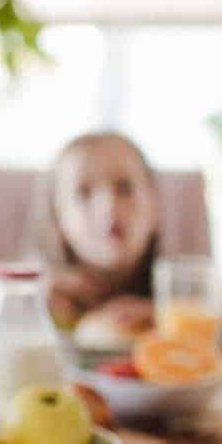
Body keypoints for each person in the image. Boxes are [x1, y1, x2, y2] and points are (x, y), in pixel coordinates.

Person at [29, 132, 162, 341]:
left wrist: (166, 319)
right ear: (57, 217)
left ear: (155, 207)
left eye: (125, 188)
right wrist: (31, 309)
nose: (109, 207)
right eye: (84, 192)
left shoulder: (188, 304)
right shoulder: (35, 299)